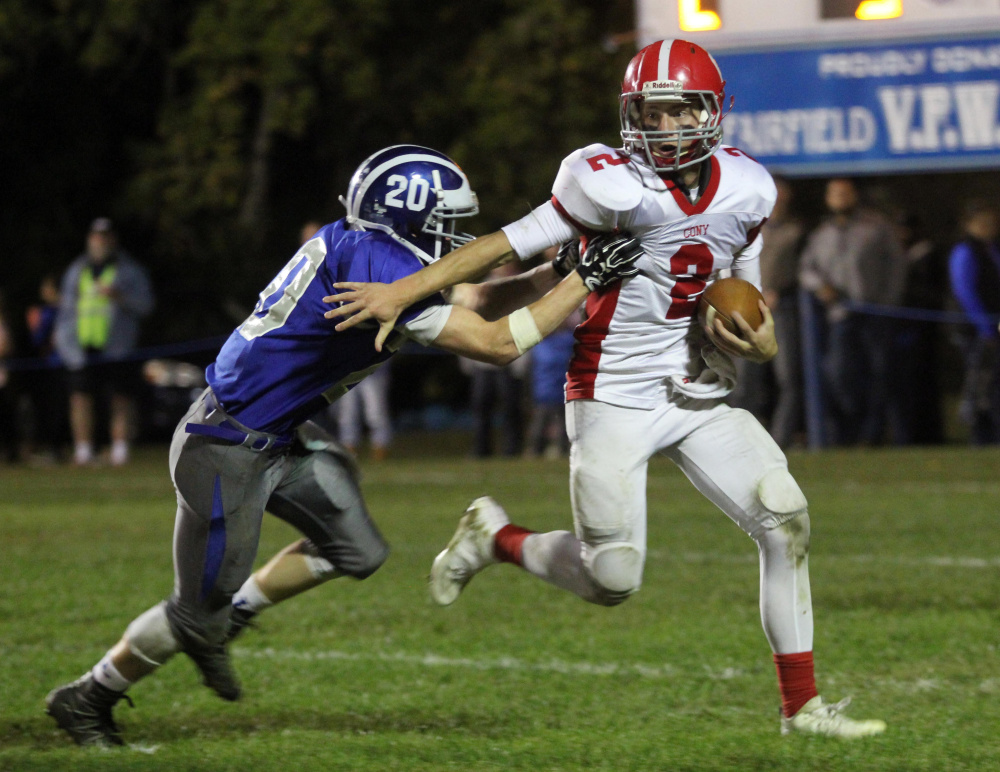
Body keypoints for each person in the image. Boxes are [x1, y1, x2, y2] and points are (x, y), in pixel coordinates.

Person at [324, 41, 885, 738]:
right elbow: (505, 242)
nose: (667, 128)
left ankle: (800, 709)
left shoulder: (750, 187)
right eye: (653, 113)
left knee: (786, 517)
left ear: (714, 114)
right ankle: (495, 536)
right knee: (612, 579)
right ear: (631, 116)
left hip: (696, 390)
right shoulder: (604, 180)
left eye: (682, 112)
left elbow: (747, 296)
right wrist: (403, 290)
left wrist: (763, 342)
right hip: (610, 392)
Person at [44, 145, 641, 748]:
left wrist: (554, 274)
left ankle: (235, 617)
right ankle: (88, 696)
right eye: (444, 223)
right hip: (225, 448)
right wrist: (585, 282)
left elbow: (477, 301)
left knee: (355, 549)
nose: (451, 238)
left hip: (277, 435)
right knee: (194, 611)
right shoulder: (375, 263)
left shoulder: (367, 248)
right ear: (407, 216)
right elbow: (493, 345)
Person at [798, 178, 906, 446]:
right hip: (840, 315)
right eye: (835, 193)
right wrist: (820, 286)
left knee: (879, 373)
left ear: (855, 195)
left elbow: (897, 265)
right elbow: (805, 270)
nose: (841, 198)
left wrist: (888, 301)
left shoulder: (876, 227)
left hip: (874, 313)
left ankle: (873, 435)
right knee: (839, 373)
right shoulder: (821, 233)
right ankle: (848, 431)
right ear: (828, 198)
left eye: (845, 193)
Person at [54, 218, 155, 466]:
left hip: (117, 347)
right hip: (81, 347)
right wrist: (63, 342)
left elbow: (146, 305)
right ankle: (83, 451)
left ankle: (120, 451)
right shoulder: (77, 270)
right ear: (90, 239)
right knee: (80, 398)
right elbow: (65, 310)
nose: (101, 241)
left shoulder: (129, 270)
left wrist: (120, 297)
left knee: (120, 399)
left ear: (114, 239)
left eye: (106, 236)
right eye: (97, 236)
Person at [728, 177, 805, 449]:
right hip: (747, 310)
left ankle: (780, 438)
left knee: (787, 378)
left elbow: (803, 269)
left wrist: (781, 291)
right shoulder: (745, 230)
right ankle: (744, 439)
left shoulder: (796, 232)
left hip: (781, 310)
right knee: (743, 381)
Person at [948, 199, 1000, 444]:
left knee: (992, 383)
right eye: (982, 222)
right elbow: (965, 292)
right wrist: (985, 328)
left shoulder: (992, 249)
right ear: (968, 224)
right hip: (974, 330)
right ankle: (980, 437)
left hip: (993, 327)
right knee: (979, 382)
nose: (988, 226)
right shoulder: (965, 251)